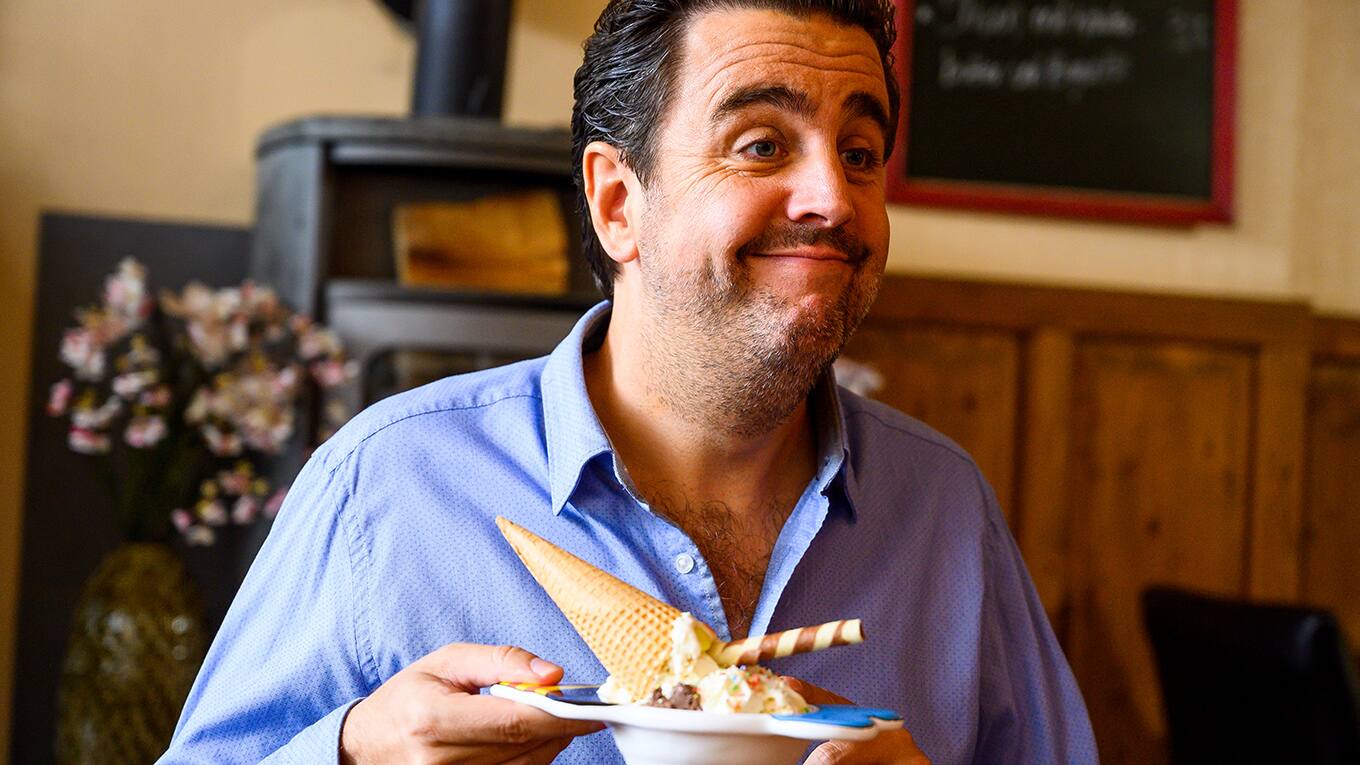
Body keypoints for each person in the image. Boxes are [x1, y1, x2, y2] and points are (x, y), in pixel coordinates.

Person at [158, 1, 1097, 763]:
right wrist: (356, 750)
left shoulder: (946, 507)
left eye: (859, 154)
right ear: (617, 202)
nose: (833, 199)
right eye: (762, 144)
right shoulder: (382, 485)